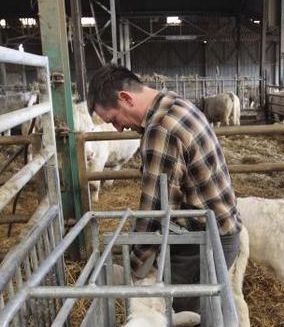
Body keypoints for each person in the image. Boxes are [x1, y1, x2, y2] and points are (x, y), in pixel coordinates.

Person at [86, 64, 242, 306]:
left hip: (204, 242)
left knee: (164, 315)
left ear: (125, 98)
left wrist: (133, 269)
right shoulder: (173, 102)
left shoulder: (160, 129)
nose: (117, 128)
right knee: (187, 314)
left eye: (114, 119)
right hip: (217, 229)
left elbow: (157, 210)